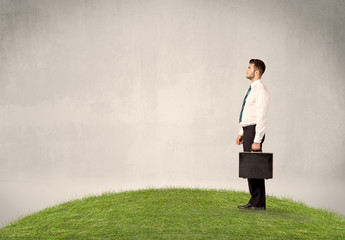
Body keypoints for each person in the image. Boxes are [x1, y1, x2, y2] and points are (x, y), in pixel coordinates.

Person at [236, 59, 270, 210]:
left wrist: (257, 139)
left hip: (255, 131)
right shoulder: (250, 90)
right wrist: (241, 132)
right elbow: (249, 114)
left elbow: (261, 116)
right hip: (248, 130)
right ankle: (254, 201)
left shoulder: (261, 91)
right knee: (250, 167)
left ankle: (258, 203)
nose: (246, 70)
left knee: (255, 167)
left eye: (249, 67)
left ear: (257, 72)